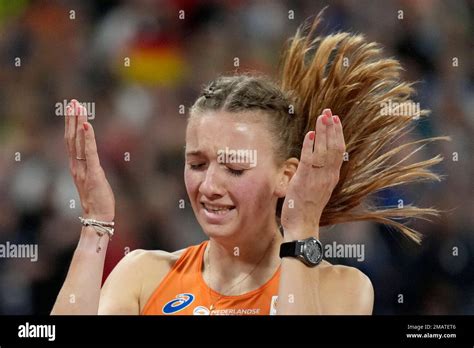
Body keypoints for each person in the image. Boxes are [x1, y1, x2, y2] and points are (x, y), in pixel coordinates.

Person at [51, 13, 445, 315]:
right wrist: (95, 223)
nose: (208, 186)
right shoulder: (144, 274)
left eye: (234, 169)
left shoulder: (342, 288)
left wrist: (302, 223)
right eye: (197, 163)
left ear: (285, 177)